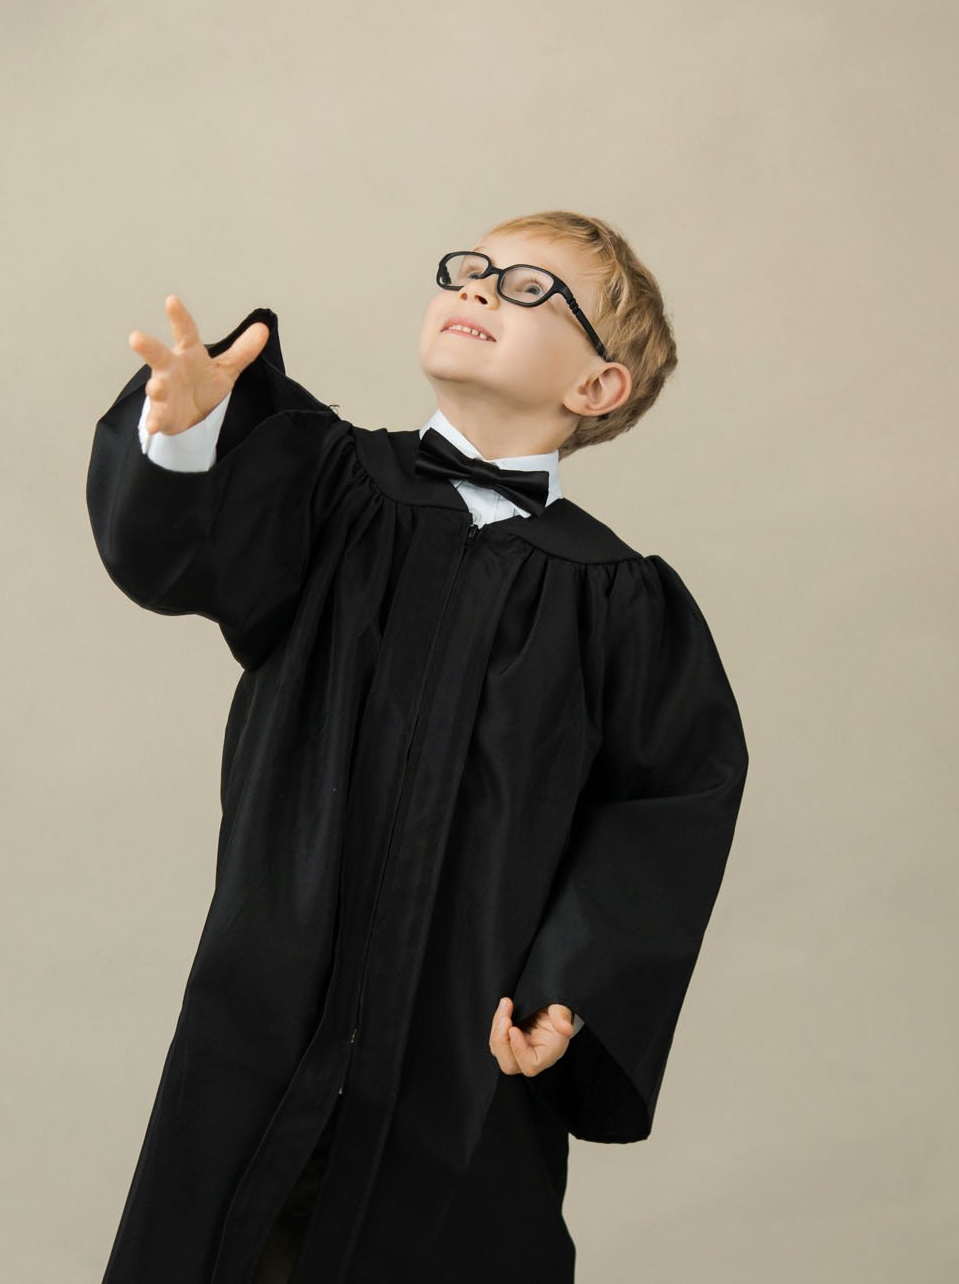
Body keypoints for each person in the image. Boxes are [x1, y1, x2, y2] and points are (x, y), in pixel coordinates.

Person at [85, 211, 750, 1283]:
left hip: (465, 1037)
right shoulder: (332, 490)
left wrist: (569, 992)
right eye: (473, 271)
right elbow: (181, 561)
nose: (481, 291)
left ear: (597, 389)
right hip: (271, 993)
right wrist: (189, 439)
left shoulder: (621, 606)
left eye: (531, 291)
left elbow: (665, 810)